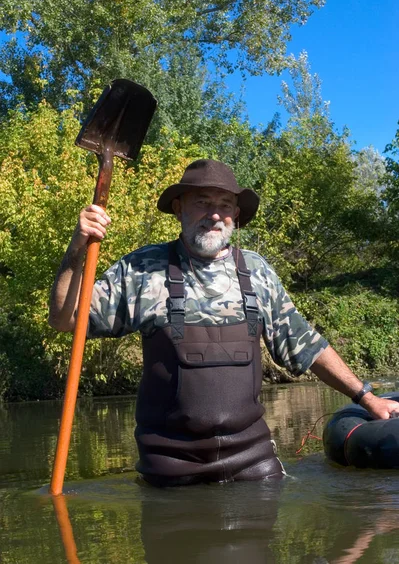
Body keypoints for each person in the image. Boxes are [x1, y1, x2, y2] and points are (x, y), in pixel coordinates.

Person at [49, 159, 399, 486]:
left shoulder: (256, 271)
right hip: (169, 469)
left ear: (235, 214)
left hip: (253, 462)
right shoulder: (142, 268)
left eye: (225, 205)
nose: (214, 214)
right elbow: (66, 318)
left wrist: (367, 399)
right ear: (179, 207)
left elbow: (306, 343)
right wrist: (77, 247)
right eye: (202, 202)